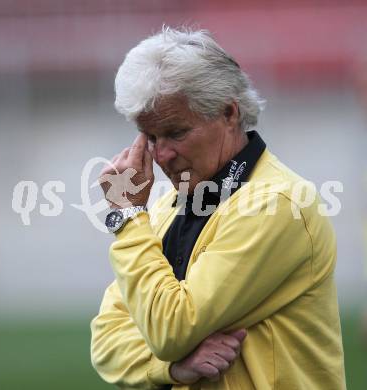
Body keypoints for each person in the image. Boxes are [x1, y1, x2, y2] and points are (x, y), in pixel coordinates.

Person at [90, 27, 346, 389]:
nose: (161, 155)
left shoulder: (277, 204)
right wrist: (173, 369)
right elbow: (106, 343)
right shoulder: (164, 208)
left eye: (175, 133)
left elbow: (171, 330)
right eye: (150, 137)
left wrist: (129, 217)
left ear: (228, 113)